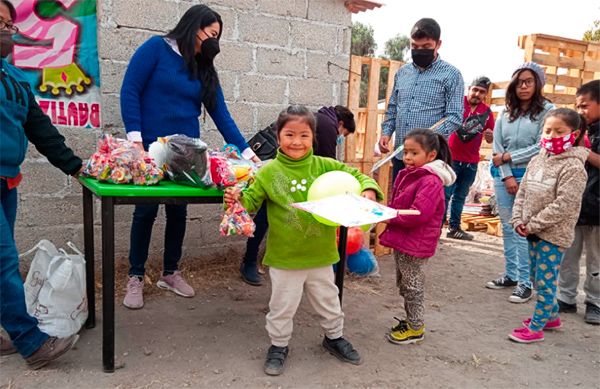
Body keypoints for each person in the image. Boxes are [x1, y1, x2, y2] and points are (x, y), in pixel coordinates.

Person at [224, 105, 382, 376]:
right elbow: (250, 202)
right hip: (285, 258)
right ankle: (278, 345)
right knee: (281, 306)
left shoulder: (325, 166)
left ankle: (333, 338)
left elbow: (359, 176)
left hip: (320, 254)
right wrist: (236, 199)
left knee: (329, 301)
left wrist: (369, 189)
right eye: (289, 134)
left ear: (313, 138)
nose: (296, 142)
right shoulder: (267, 172)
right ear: (278, 134)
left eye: (304, 136)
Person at [119, 4, 259, 309]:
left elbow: (221, 114)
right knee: (145, 211)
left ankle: (170, 272)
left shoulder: (204, 67)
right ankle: (136, 276)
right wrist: (136, 141)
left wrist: (248, 154)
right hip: (151, 149)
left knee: (178, 211)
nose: (213, 42)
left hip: (187, 152)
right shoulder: (156, 49)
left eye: (217, 37)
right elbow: (130, 90)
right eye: (211, 34)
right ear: (194, 26)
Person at [0, 0, 81, 368]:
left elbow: (41, 130)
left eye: (8, 25)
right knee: (3, 262)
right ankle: (31, 343)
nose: (5, 31)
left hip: (7, 182)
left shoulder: (15, 78)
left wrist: (76, 167)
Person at [239, 105, 356, 286]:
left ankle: (250, 260)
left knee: (265, 217)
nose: (297, 140)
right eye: (344, 134)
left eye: (304, 136)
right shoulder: (328, 127)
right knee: (266, 216)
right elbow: (330, 172)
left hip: (295, 178)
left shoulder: (319, 118)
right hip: (283, 173)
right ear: (341, 124)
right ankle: (250, 261)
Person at [508, 108, 588, 343]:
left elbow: (563, 205)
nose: (552, 135)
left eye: (559, 131)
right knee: (535, 276)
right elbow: (522, 191)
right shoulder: (537, 159)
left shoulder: (574, 167)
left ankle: (536, 328)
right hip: (531, 230)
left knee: (545, 281)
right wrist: (517, 219)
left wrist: (533, 224)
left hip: (552, 235)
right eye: (548, 130)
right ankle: (551, 317)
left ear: (573, 134)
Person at [485, 62, 555, 304]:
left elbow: (542, 144)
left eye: (529, 81)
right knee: (507, 225)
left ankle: (526, 283)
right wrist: (506, 173)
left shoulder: (548, 111)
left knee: (522, 228)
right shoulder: (505, 112)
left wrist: (509, 157)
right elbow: (497, 147)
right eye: (519, 82)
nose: (523, 87)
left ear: (538, 84)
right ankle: (511, 274)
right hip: (503, 176)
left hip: (531, 175)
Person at [379, 129, 456, 345]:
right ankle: (411, 321)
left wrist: (388, 216)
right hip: (406, 241)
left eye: (414, 153)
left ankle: (415, 328)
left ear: (431, 156)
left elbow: (418, 214)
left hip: (415, 244)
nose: (408, 158)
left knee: (413, 286)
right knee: (405, 284)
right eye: (406, 153)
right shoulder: (411, 175)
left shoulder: (430, 181)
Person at [378, 18, 464, 182]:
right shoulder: (402, 73)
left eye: (426, 47)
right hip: (401, 156)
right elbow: (394, 107)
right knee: (400, 201)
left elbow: (455, 117)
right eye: (415, 47)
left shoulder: (451, 75)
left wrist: (425, 138)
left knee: (426, 205)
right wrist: (386, 132)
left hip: (430, 161)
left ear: (438, 44)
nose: (419, 51)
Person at [557, 80, 600, 325]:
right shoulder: (579, 131)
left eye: (585, 105)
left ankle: (594, 302)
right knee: (568, 256)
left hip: (597, 209)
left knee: (595, 260)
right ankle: (566, 297)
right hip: (575, 205)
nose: (580, 111)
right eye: (577, 106)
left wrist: (582, 152)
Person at [444, 76, 495, 240]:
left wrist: (490, 135)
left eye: (482, 92)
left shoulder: (487, 113)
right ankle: (436, 229)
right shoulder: (457, 104)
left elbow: (490, 139)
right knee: (444, 195)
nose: (477, 94)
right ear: (469, 89)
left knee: (460, 196)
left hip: (471, 162)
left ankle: (454, 228)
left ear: (485, 95)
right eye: (475, 90)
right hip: (450, 159)